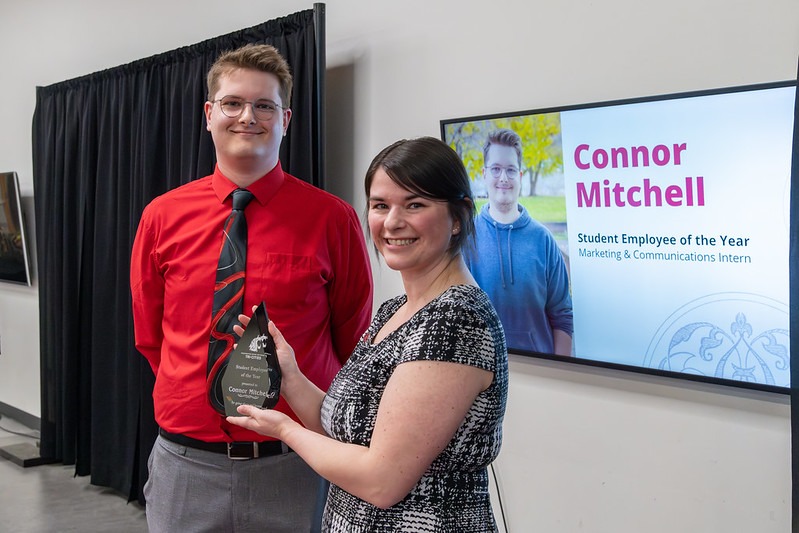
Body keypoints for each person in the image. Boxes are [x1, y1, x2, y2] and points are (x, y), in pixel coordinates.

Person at [130, 43, 373, 532]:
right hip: (186, 464)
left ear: (286, 118)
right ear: (208, 114)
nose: (248, 117)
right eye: (233, 103)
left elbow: (352, 339)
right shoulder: (162, 215)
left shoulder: (332, 219)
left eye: (264, 106)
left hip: (297, 464)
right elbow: (151, 336)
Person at [228, 137, 509, 532]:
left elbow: (382, 482)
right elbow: (342, 428)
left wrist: (283, 430)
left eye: (415, 204)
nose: (392, 222)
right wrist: (289, 377)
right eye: (380, 205)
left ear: (458, 218)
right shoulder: (396, 310)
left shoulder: (455, 320)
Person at [465, 128, 573, 355]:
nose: (503, 178)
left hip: (541, 373)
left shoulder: (543, 240)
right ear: (484, 174)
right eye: (495, 169)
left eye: (511, 170)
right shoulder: (466, 239)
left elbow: (562, 315)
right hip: (483, 378)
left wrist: (560, 372)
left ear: (520, 177)